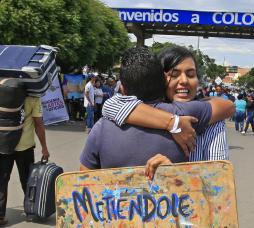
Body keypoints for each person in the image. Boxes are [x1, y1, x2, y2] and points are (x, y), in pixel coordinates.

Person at [80, 47, 234, 170]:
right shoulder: (182, 114)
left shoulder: (213, 123)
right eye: (174, 75)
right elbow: (111, 105)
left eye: (191, 74)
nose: (184, 81)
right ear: (160, 79)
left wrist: (176, 177)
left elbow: (219, 191)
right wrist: (172, 122)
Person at [0, 93, 50, 226]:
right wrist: (44, 147)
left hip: (4, 144)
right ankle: (31, 210)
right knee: (27, 179)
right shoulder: (34, 97)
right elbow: (38, 124)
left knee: (1, 178)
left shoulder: (2, 92)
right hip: (24, 146)